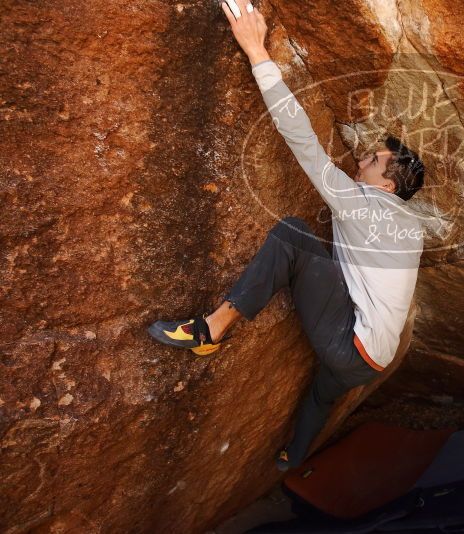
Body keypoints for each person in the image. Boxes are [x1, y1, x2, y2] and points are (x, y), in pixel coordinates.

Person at [147, 0, 426, 472]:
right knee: (322, 393)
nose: (359, 160)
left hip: (349, 343)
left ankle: (211, 329)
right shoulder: (411, 228)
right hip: (372, 359)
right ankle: (293, 456)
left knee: (294, 235)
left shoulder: (364, 203)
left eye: (371, 160)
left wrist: (257, 52)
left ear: (387, 184)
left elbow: (302, 140)